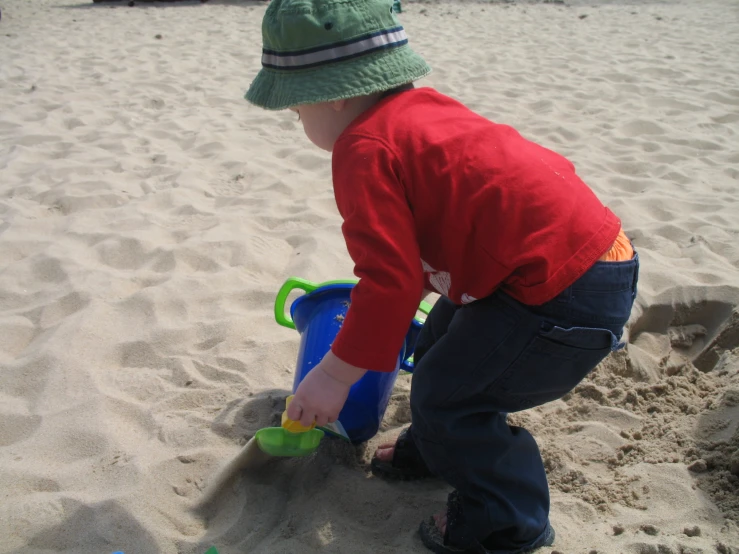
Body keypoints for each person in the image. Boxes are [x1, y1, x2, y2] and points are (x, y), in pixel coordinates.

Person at [244, 0, 639, 552]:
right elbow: (444, 227)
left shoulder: (363, 149)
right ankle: (436, 449)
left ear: (331, 93)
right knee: (439, 346)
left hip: (562, 295)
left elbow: (390, 282)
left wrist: (333, 376)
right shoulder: (418, 111)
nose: (296, 121)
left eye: (294, 109)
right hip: (579, 261)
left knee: (450, 396)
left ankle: (508, 519)